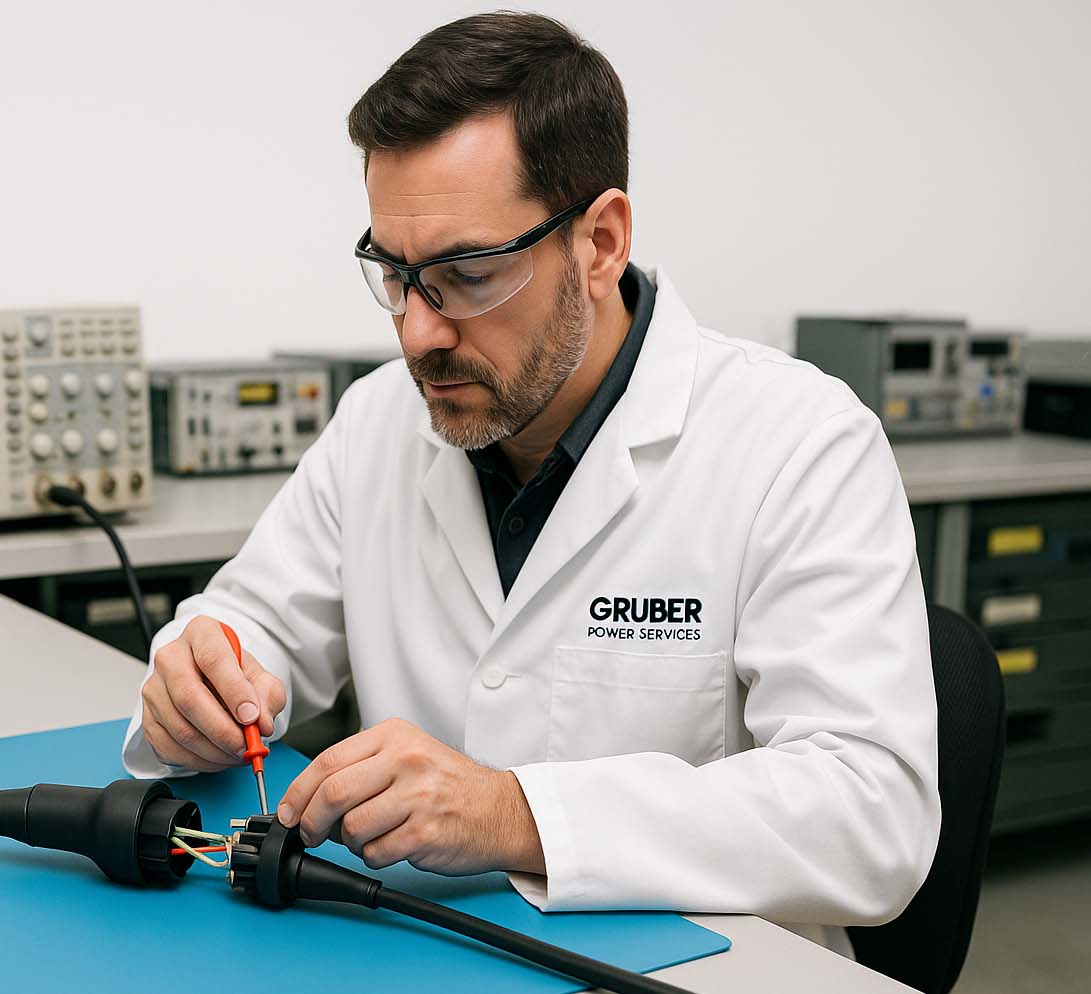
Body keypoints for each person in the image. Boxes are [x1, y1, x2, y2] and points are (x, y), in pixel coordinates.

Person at [123, 11, 939, 955]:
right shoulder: (379, 419)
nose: (418, 332)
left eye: (467, 273)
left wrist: (515, 814)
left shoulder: (799, 442)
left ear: (600, 242)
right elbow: (254, 623)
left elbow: (871, 816)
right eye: (394, 272)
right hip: (426, 954)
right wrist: (203, 670)